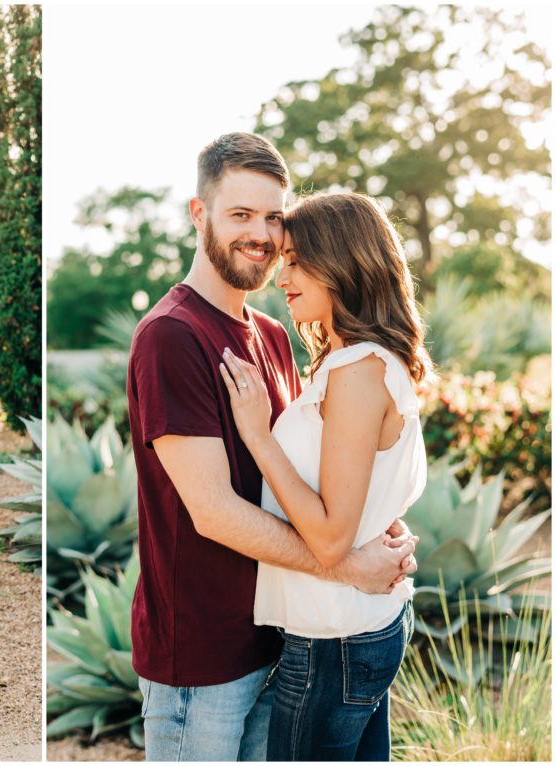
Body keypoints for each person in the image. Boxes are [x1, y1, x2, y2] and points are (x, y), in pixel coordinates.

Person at [125, 132, 418, 761]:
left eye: (272, 217)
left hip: (282, 639)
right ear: (199, 213)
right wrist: (350, 564)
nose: (261, 235)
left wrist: (379, 526)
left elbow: (315, 470)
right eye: (240, 214)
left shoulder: (273, 336)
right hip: (203, 661)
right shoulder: (171, 337)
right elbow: (214, 511)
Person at [219, 191, 430, 760]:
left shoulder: (358, 370)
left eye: (295, 260)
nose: (279, 274)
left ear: (342, 262)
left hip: (334, 641)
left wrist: (259, 436)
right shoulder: (356, 361)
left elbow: (333, 537)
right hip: (349, 630)